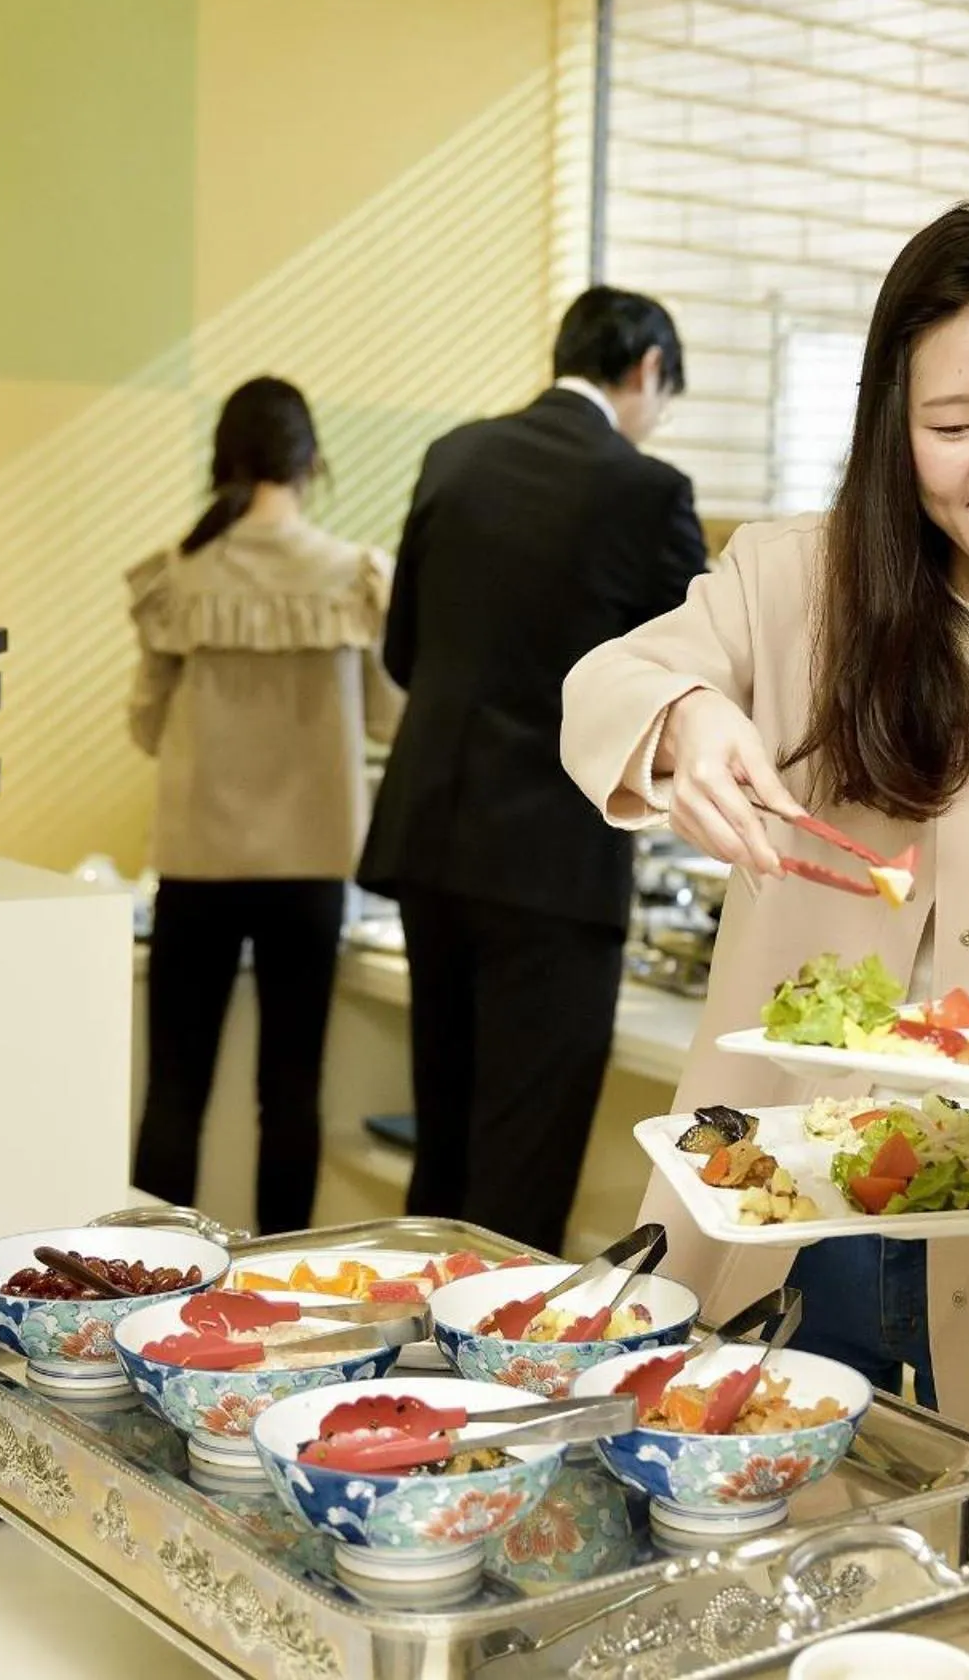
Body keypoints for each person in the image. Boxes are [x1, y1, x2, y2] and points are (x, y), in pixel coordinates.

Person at [560, 202, 969, 1572]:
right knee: (732, 1614)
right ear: (891, 427)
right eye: (951, 423)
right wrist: (684, 719)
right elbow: (601, 686)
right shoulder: (799, 585)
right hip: (760, 1252)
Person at [358, 287, 707, 1255]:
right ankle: (489, 1384)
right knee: (524, 1156)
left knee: (448, 1136)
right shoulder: (645, 490)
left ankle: (416, 1370)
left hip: (430, 835)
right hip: (553, 861)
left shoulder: (454, 456)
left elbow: (404, 651)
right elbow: (698, 679)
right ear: (645, 370)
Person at [128, 376, 401, 1234]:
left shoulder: (180, 573)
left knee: (176, 1087)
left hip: (197, 861)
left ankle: (143, 1276)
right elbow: (390, 719)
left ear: (225, 461)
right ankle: (282, 1271)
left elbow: (144, 725)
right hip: (310, 869)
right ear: (313, 459)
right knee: (291, 1090)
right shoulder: (354, 576)